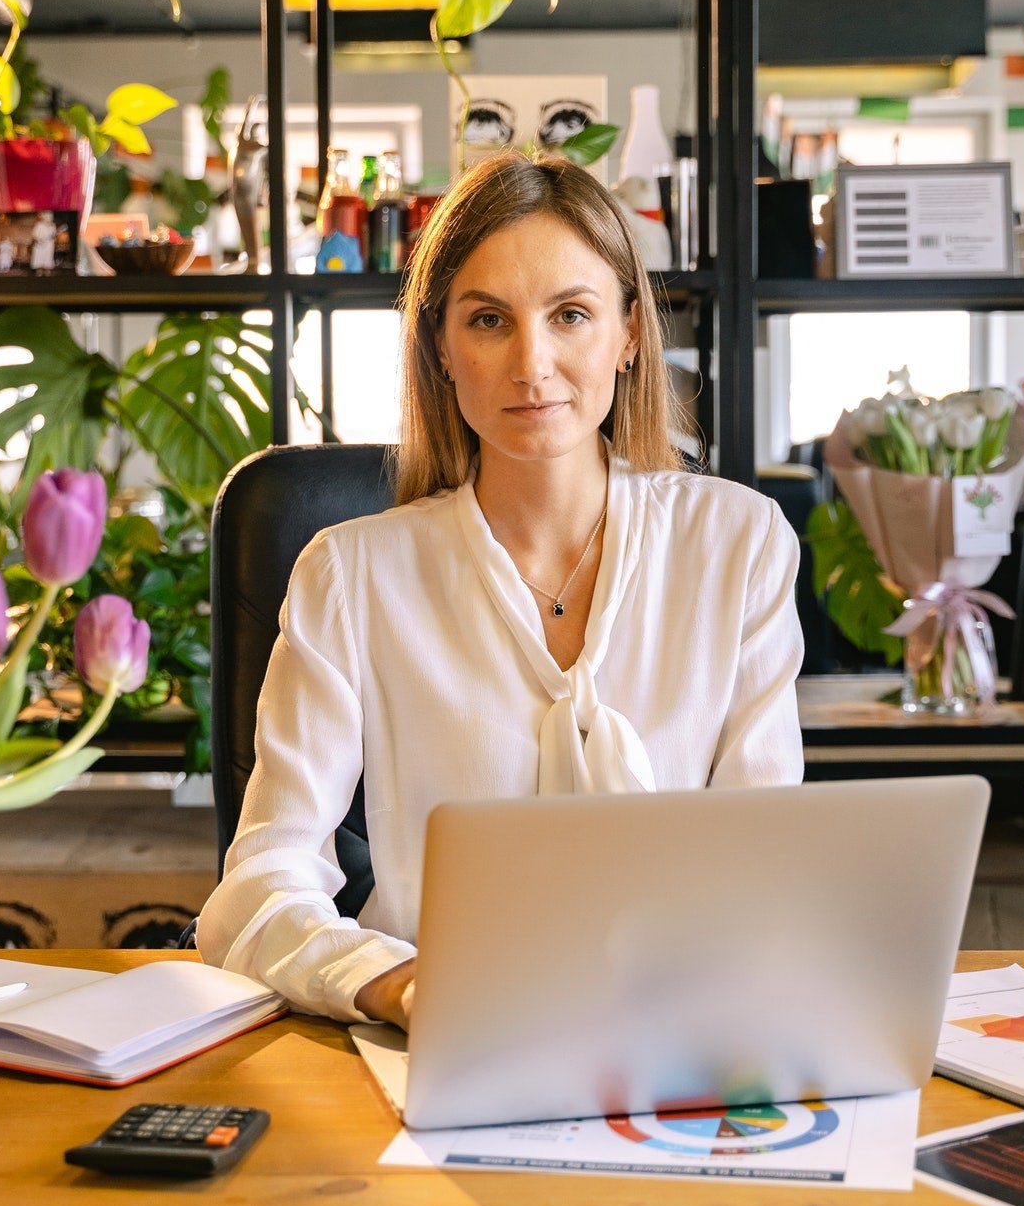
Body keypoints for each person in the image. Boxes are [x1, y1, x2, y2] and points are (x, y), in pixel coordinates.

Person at [195, 151, 804, 1030]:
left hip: (682, 1030)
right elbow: (259, 885)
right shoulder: (350, 576)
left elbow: (767, 859)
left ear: (630, 334)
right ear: (441, 348)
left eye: (571, 315)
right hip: (435, 1039)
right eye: (488, 320)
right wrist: (397, 986)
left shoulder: (738, 545)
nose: (532, 364)